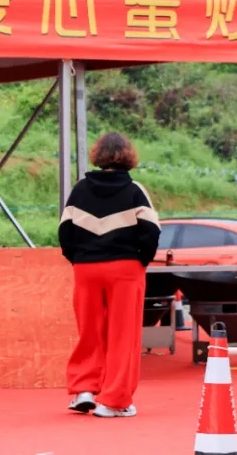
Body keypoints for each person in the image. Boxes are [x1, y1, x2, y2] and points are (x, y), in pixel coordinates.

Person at [58, 132, 160, 419]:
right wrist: (140, 260)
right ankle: (114, 401)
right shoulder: (135, 190)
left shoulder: (80, 189)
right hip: (125, 268)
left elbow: (65, 232)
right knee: (123, 335)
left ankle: (84, 390)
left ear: (98, 155)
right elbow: (151, 231)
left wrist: (79, 259)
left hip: (86, 269)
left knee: (89, 330)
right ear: (128, 155)